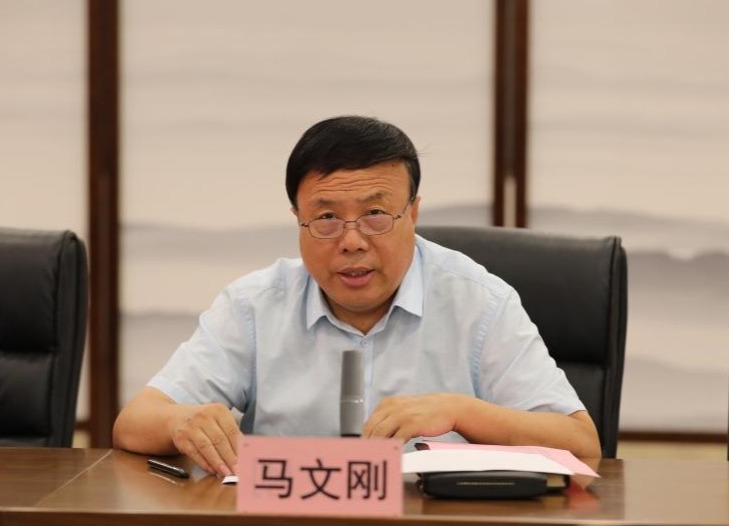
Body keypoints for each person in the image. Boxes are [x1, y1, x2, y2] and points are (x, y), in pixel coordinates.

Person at [113, 115, 601, 477]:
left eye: (375, 215)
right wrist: (182, 422)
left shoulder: (479, 302)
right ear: (298, 219)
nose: (351, 241)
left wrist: (460, 412)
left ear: (413, 214)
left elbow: (581, 444)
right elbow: (133, 424)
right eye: (326, 218)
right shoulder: (254, 305)